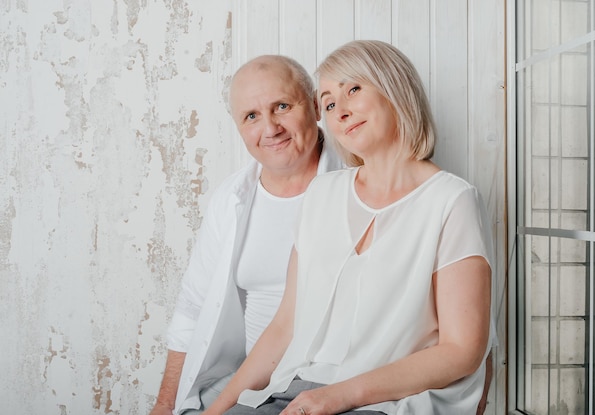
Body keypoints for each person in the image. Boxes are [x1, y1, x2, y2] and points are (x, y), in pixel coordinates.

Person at [203, 39, 493, 415]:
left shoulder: (451, 201)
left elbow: (462, 351)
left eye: (353, 89)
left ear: (394, 88)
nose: (339, 111)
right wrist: (217, 411)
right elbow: (283, 328)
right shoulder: (322, 193)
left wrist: (339, 396)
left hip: (391, 400)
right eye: (328, 102)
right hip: (300, 388)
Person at [150, 55, 343, 415]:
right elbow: (192, 307)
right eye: (251, 116)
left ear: (316, 106)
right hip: (246, 384)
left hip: (330, 388)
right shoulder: (232, 198)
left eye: (282, 106)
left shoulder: (359, 183)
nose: (270, 129)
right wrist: (164, 405)